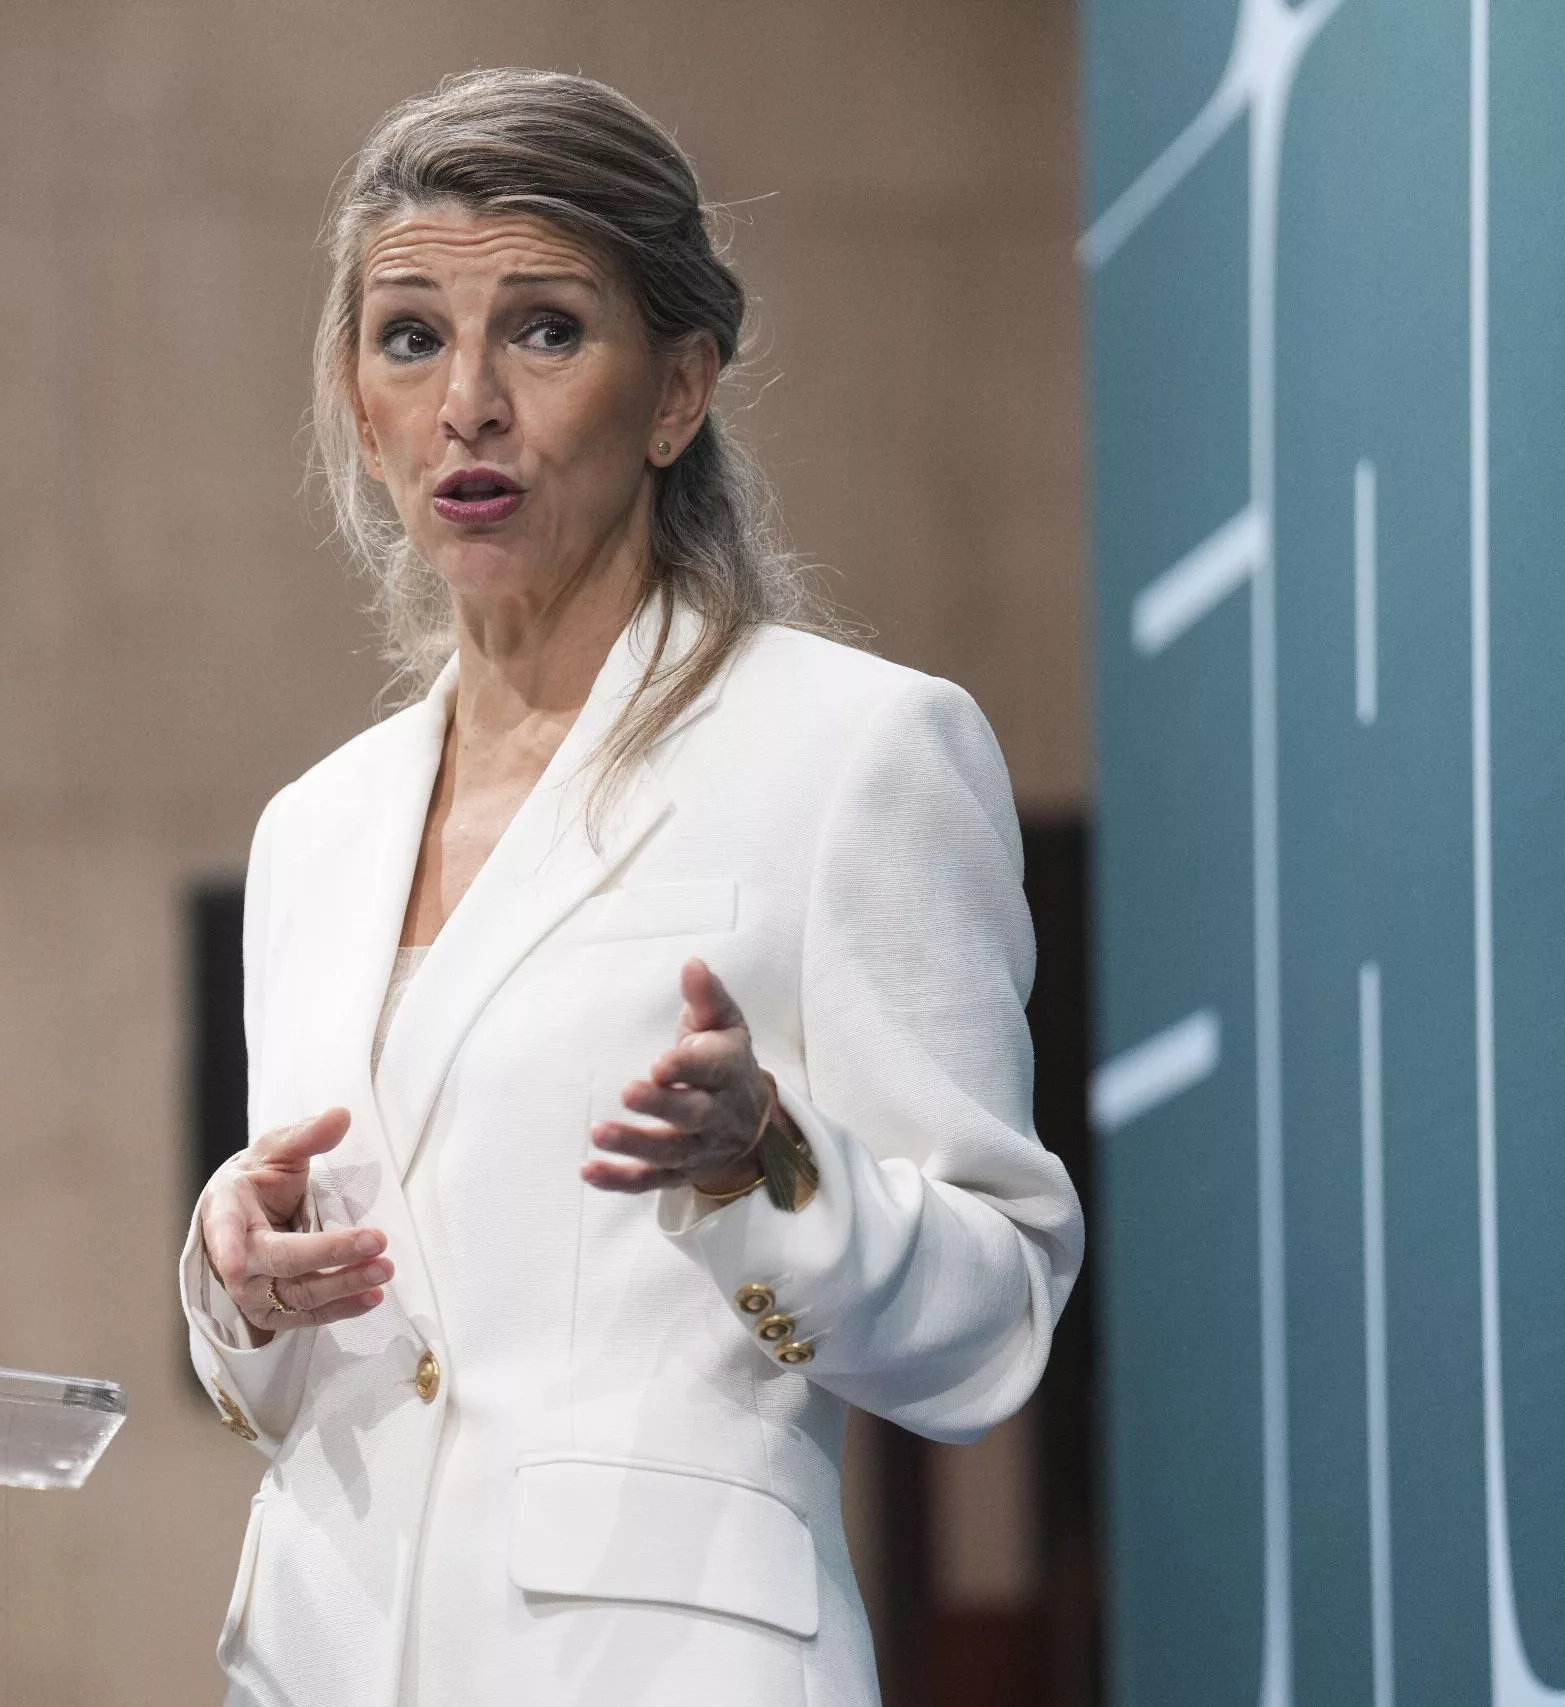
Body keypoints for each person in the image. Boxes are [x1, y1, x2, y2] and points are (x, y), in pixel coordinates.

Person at [179, 68, 1083, 1707]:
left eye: (543, 330)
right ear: (358, 407)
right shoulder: (315, 829)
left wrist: (772, 1165)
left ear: (677, 392)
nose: (468, 403)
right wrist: (245, 1283)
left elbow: (997, 1309)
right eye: (409, 338)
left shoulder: (853, 751)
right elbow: (349, 1362)